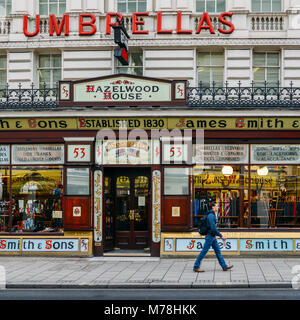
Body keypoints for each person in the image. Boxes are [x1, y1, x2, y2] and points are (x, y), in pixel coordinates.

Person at [193, 201, 233, 272]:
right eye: (217, 206)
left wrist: (215, 235)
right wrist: (221, 236)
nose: (218, 207)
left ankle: (224, 266)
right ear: (213, 207)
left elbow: (213, 228)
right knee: (204, 252)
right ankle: (196, 266)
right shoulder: (211, 215)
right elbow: (213, 228)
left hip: (212, 236)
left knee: (218, 251)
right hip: (210, 237)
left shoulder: (213, 214)